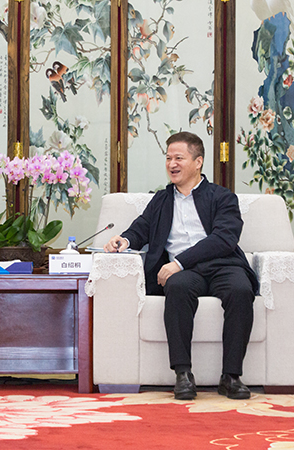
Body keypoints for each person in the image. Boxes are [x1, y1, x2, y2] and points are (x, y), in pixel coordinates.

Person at [104, 131, 259, 400]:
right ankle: (183, 374)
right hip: (186, 274)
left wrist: (178, 262)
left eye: (179, 158)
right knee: (176, 288)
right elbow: (141, 228)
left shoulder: (223, 197)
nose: (172, 164)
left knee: (241, 290)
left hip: (223, 265)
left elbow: (224, 239)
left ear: (198, 162)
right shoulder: (162, 200)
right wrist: (124, 240)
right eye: (168, 158)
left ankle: (231, 376)